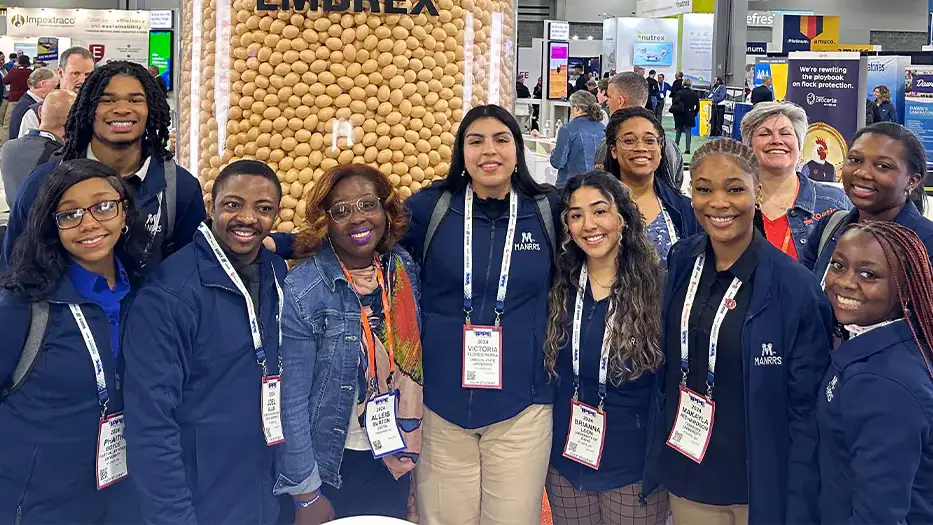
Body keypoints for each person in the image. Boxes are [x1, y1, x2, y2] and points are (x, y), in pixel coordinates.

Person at [644, 138, 832, 525]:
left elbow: (806, 409)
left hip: (759, 484)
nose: (719, 203)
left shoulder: (795, 288)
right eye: (704, 189)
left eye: (734, 189)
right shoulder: (682, 260)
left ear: (757, 192)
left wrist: (799, 496)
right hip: (690, 473)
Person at [401, 105, 561, 524]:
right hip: (441, 406)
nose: (489, 150)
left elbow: (606, 234)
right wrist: (284, 245)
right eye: (476, 141)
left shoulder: (548, 210)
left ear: (518, 149)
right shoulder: (431, 208)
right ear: (461, 152)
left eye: (501, 139)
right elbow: (364, 235)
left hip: (523, 409)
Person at [123, 160, 287, 525]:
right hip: (201, 500)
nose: (247, 218)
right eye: (233, 204)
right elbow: (150, 424)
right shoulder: (171, 294)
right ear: (210, 207)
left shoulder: (276, 272)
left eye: (263, 209)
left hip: (261, 489)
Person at [275, 163, 423, 522]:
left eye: (368, 205)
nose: (358, 218)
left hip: (392, 452)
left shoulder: (400, 268)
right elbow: (291, 400)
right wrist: (306, 494)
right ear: (326, 221)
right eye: (341, 211)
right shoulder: (305, 288)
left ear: (386, 210)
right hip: (332, 464)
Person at [0, 159, 139, 524]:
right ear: (52, 226)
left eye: (103, 206)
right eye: (70, 214)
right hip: (35, 503)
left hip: (118, 494)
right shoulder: (23, 304)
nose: (89, 223)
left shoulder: (144, 295)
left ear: (125, 211)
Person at [544, 171, 670, 525]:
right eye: (576, 215)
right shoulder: (557, 284)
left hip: (632, 468)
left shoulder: (659, 288)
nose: (589, 225)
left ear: (622, 218)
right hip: (567, 463)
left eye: (600, 211)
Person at [2, 61, 205, 275]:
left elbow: (189, 275)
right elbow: (13, 270)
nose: (122, 109)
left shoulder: (179, 189)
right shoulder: (44, 183)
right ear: (88, 108)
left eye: (136, 100)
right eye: (107, 100)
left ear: (151, 108)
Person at [819, 221, 933, 524]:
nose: (845, 282)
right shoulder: (876, 344)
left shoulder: (885, 386)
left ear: (905, 289)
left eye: (868, 274)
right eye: (838, 265)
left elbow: (878, 515)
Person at [799, 122, 933, 280]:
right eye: (855, 160)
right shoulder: (830, 227)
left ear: (912, 181)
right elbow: (804, 289)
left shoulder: (927, 242)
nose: (862, 173)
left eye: (882, 166)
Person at [741, 102, 850, 260]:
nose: (776, 140)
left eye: (785, 133)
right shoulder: (732, 203)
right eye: (764, 134)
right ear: (749, 146)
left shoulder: (835, 203)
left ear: (799, 144)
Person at [604, 107, 699, 264]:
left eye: (649, 141)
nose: (641, 148)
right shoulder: (591, 206)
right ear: (613, 150)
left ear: (660, 148)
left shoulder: (686, 210)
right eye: (629, 141)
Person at [595, 72, 684, 190]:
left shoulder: (610, 144)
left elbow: (601, 186)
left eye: (610, 97)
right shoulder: (671, 146)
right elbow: (676, 184)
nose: (607, 102)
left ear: (620, 101)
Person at [0, 90, 75, 206]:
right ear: (75, 119)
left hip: (15, 216)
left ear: (39, 112)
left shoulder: (7, 148)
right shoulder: (63, 157)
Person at [17, 47, 95, 139]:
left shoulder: (98, 111)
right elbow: (25, 147)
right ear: (60, 72)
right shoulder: (36, 114)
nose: (82, 80)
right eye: (75, 73)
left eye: (87, 75)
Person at [551, 90, 606, 187]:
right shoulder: (603, 128)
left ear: (576, 108)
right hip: (598, 185)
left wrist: (553, 152)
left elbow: (558, 162)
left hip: (570, 185)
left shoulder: (567, 129)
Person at [8, 67, 56, 139]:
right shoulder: (28, 108)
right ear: (43, 83)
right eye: (54, 87)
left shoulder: (26, 102)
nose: (55, 91)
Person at [2, 55, 32, 141]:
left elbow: (5, 81)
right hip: (27, 100)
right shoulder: (31, 73)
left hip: (14, 100)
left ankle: (4, 144)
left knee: (8, 123)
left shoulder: (13, 72)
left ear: (19, 62)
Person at [671, 78, 700, 155]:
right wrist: (694, 113)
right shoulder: (694, 94)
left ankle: (676, 147)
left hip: (680, 114)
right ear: (690, 84)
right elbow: (697, 107)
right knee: (688, 132)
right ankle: (688, 149)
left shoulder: (679, 93)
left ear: (683, 84)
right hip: (690, 114)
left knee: (678, 131)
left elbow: (674, 103)